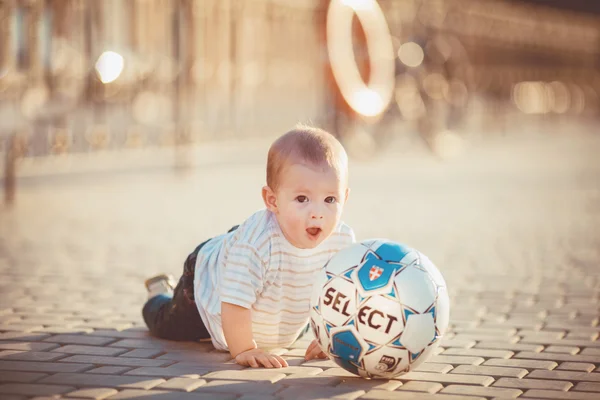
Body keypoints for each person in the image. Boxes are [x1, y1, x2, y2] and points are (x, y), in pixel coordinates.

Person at [142, 124, 355, 368]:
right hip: (210, 282)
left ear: (344, 198)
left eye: (330, 199)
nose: (317, 213)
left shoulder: (342, 241)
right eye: (302, 199)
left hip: (280, 297)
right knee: (170, 325)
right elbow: (234, 302)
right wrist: (244, 349)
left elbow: (342, 295)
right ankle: (158, 293)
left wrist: (330, 334)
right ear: (272, 200)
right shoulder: (257, 246)